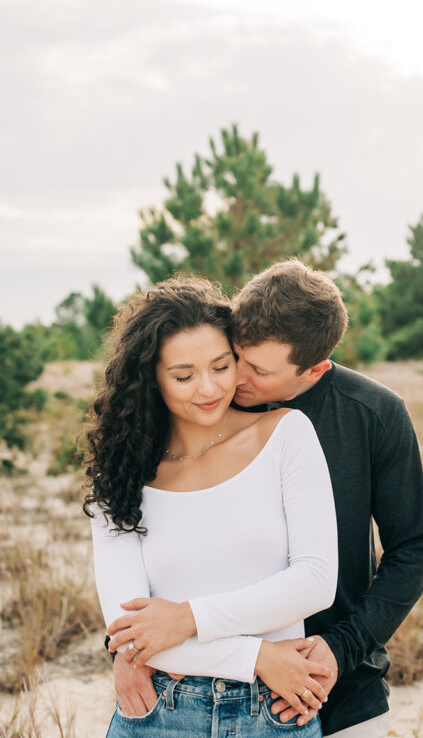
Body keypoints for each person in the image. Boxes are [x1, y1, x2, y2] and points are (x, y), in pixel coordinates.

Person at [110, 261, 423, 737]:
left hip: (332, 680)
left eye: (257, 369)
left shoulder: (374, 415)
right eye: (232, 355)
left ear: (315, 368)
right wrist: (126, 647)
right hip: (190, 678)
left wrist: (342, 648)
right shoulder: (192, 410)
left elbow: (411, 551)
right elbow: (145, 544)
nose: (231, 378)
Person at [84, 276, 338, 737]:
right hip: (158, 712)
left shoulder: (287, 434)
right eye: (183, 376)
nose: (209, 388)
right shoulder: (120, 473)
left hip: (274, 713)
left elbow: (316, 583)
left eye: (222, 366)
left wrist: (186, 619)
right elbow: (129, 633)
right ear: (152, 379)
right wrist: (255, 657)